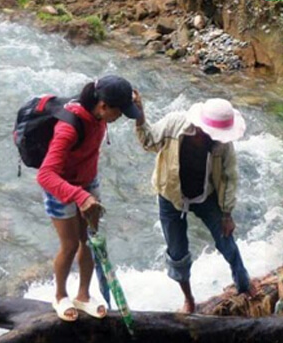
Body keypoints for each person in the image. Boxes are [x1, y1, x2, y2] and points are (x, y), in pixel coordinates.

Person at [37, 75, 142, 321]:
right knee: (70, 245)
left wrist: (135, 103)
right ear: (103, 106)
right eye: (119, 112)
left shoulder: (99, 112)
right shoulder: (68, 128)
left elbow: (131, 112)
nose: (120, 117)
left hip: (87, 180)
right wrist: (79, 196)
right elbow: (45, 175)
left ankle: (83, 295)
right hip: (61, 185)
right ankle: (60, 296)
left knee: (90, 241)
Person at [135, 96, 252, 313]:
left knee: (226, 240)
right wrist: (140, 116)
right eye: (210, 134)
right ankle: (189, 299)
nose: (213, 139)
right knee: (177, 253)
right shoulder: (174, 125)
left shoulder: (223, 145)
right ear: (199, 126)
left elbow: (229, 177)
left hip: (205, 196)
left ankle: (244, 286)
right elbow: (149, 141)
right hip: (170, 195)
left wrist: (227, 214)